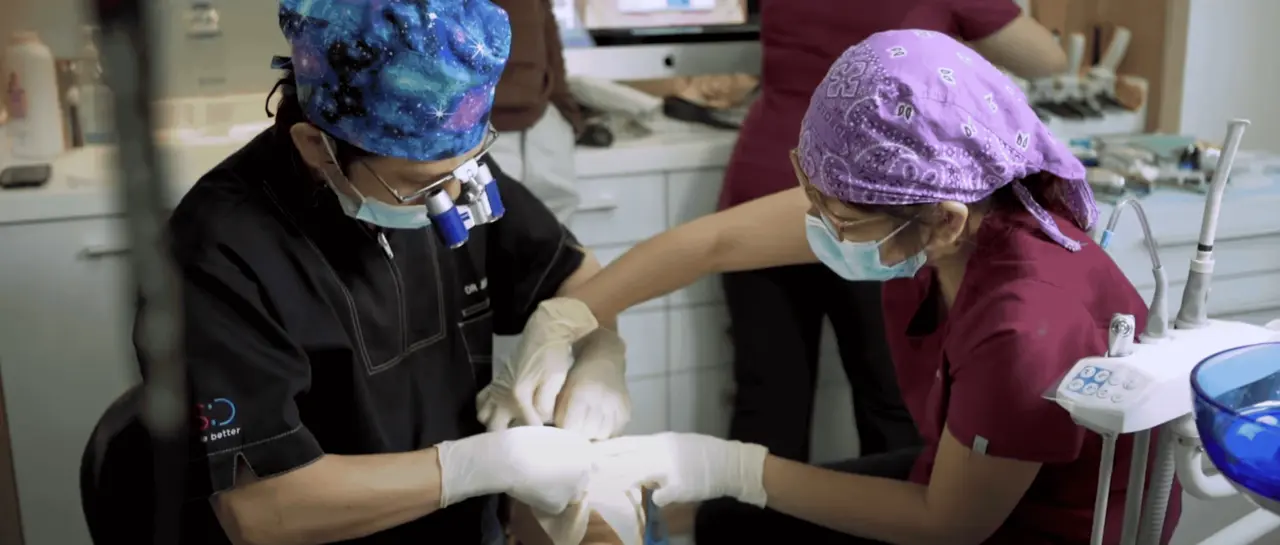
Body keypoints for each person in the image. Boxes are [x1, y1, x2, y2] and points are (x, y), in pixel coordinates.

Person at [520, 31, 1182, 544]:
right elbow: (714, 242)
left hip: (1041, 526)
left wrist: (728, 466)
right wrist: (572, 315)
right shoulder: (935, 192)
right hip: (965, 482)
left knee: (737, 505)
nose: (817, 225)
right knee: (724, 519)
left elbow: (947, 524)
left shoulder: (1023, 319)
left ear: (944, 222)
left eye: (836, 217)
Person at [152, 1, 631, 544]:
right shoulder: (219, 252)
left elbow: (577, 276)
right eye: (422, 188)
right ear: (316, 148)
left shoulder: (443, 163)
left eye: (467, 167)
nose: (455, 199)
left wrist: (596, 353)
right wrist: (479, 466)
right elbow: (261, 510)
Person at [680, 0, 1072, 468]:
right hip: (881, 205)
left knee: (769, 408)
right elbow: (1047, 59)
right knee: (894, 410)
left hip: (772, 174)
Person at [487, 0, 582, 221]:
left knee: (556, 231)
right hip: (474, 130)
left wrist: (567, 114)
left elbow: (549, 40)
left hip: (541, 127)